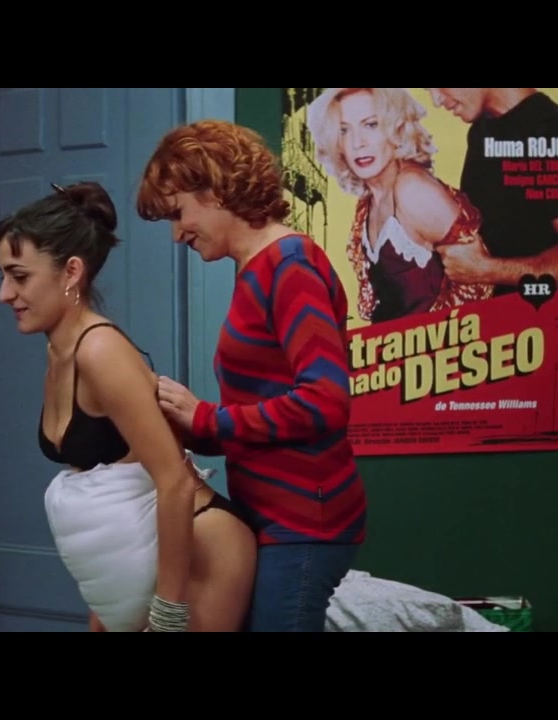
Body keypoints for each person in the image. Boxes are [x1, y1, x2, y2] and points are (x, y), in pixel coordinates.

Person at [0, 180, 256, 632]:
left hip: (202, 551)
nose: (4, 294)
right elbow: (109, 497)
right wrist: (106, 608)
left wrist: (167, 613)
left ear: (71, 272)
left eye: (19, 276)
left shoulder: (99, 351)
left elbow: (175, 482)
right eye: (2, 275)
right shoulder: (58, 351)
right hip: (140, 567)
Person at [135, 119, 368, 632]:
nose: (177, 234)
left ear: (216, 189)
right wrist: (187, 427)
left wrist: (208, 418)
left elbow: (325, 402)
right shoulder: (256, 268)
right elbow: (263, 407)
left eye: (178, 213)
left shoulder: (290, 266)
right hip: (268, 515)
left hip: (305, 522)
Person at [305, 87, 494, 324]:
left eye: (371, 125)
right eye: (344, 131)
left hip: (437, 344)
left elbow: (480, 283)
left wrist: (435, 339)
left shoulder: (412, 189)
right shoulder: (369, 200)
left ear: (398, 128)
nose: (357, 143)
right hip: (393, 343)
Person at [424, 88, 558, 295]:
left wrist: (487, 270)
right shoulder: (482, 131)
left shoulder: (551, 133)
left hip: (541, 313)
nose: (436, 101)